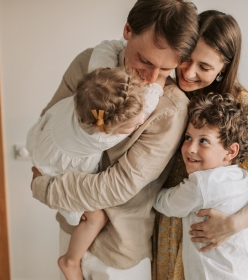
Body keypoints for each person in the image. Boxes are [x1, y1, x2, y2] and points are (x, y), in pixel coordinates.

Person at [30, 0, 199, 279]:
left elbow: (120, 185)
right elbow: (51, 122)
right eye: (144, 60)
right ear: (128, 30)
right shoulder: (87, 63)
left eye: (166, 70)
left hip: (119, 252)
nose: (151, 78)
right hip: (71, 227)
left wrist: (45, 188)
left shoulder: (171, 108)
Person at [152, 10, 248, 279]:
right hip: (166, 234)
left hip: (215, 244)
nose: (189, 73)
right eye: (186, 60)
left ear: (223, 67)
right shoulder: (165, 93)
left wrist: (232, 224)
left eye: (203, 66)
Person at [27, 67, 165, 280]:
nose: (140, 122)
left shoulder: (86, 96)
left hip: (42, 144)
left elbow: (104, 52)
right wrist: (160, 80)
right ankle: (70, 261)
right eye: (132, 126)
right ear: (108, 129)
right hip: (54, 168)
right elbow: (148, 107)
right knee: (95, 216)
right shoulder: (101, 136)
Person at [154, 93, 248, 280]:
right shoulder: (241, 176)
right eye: (188, 137)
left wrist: (147, 188)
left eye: (203, 141)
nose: (190, 148)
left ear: (231, 151)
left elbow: (166, 203)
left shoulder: (202, 184)